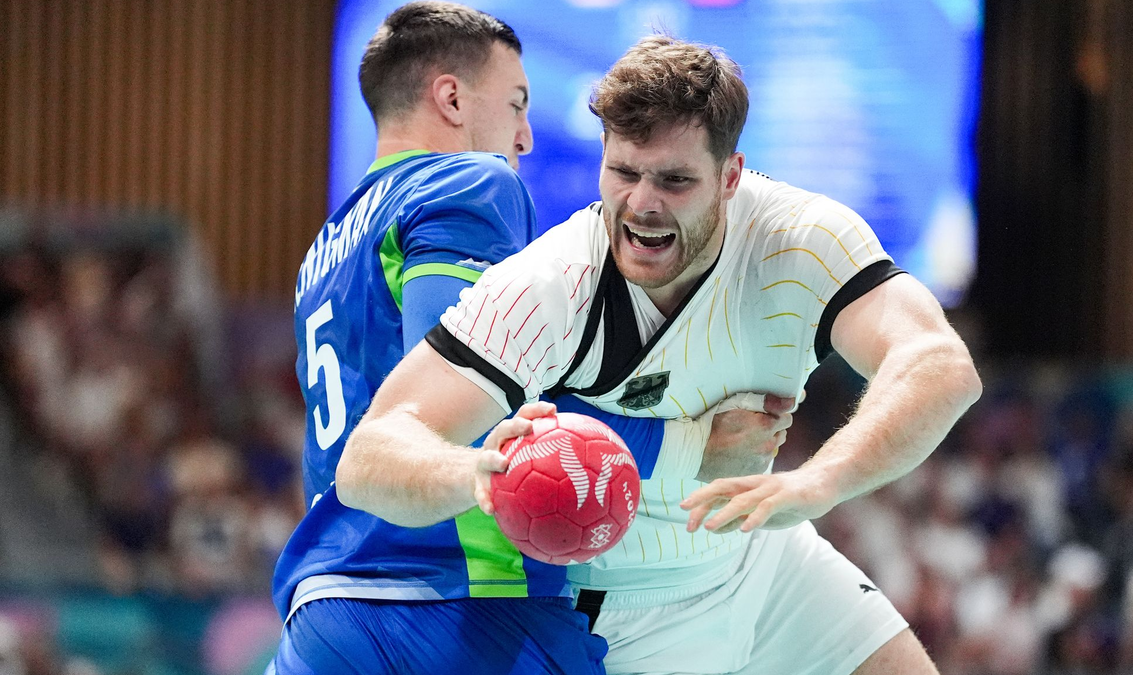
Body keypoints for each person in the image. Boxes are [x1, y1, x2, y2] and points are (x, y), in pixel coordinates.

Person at [338, 34, 982, 675]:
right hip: (620, 612)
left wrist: (820, 481)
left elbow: (938, 365)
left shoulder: (801, 239)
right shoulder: (551, 285)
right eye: (623, 173)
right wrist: (481, 473)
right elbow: (371, 457)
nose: (643, 203)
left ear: (731, 177)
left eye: (675, 180)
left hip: (769, 562)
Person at [271, 5, 788, 673]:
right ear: (451, 98)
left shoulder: (326, 246)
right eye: (517, 105)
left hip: (326, 607)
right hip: (458, 604)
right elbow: (477, 400)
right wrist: (690, 442)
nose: (524, 138)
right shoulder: (465, 182)